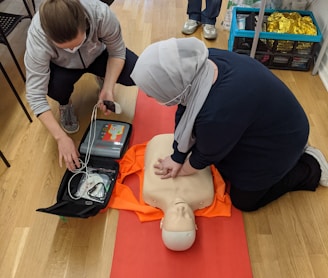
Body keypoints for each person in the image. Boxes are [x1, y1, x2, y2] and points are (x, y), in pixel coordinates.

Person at [130, 37, 328, 212]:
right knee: (219, 158)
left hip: (283, 139)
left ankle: (311, 167)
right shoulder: (201, 63)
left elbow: (203, 157)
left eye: (152, 91)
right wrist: (177, 155)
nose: (148, 96)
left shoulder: (215, 113)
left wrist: (181, 169)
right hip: (270, 119)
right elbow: (185, 107)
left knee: (244, 201)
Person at [24, 0, 138, 171]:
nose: (72, 50)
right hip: (63, 67)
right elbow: (35, 94)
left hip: (98, 55)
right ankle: (64, 103)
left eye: (78, 43)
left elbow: (117, 51)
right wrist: (61, 138)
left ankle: (103, 76)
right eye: (65, 48)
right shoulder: (38, 36)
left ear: (85, 22)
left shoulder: (100, 14)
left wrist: (108, 87)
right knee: (54, 88)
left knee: (134, 72)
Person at [143, 133, 215, 251]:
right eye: (186, 217)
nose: (181, 210)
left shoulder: (150, 192)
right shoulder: (206, 195)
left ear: (162, 222)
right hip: (196, 136)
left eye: (175, 216)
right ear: (196, 226)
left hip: (163, 140)